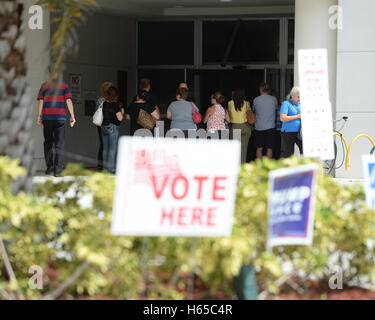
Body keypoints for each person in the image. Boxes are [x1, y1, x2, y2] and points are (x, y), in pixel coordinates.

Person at [37, 66, 76, 177]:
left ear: (49, 73)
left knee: (48, 143)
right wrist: (72, 116)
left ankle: (49, 167)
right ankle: (58, 171)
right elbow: (68, 100)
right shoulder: (64, 86)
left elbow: (41, 101)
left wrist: (39, 116)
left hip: (48, 118)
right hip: (60, 119)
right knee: (59, 144)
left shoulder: (44, 85)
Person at [253, 83, 278, 159]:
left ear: (260, 90)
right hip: (270, 127)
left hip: (259, 127)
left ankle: (259, 167)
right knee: (269, 148)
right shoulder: (274, 99)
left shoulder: (256, 100)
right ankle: (268, 167)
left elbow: (254, 111)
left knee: (259, 148)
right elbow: (275, 109)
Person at [101, 86, 123, 174]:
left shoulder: (104, 104)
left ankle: (105, 169)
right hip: (112, 127)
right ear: (116, 95)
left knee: (105, 149)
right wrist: (121, 111)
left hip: (104, 127)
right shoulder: (115, 105)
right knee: (112, 149)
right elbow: (120, 118)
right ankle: (110, 169)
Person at [228, 88, 252, 163]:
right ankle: (242, 167)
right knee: (244, 149)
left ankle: (235, 166)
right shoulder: (247, 103)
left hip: (235, 127)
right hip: (245, 127)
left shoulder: (230, 103)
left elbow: (229, 114)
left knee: (235, 149)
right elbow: (249, 114)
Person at [280, 86, 303, 158]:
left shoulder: (301, 104)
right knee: (289, 154)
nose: (300, 99)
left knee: (305, 151)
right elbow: (282, 118)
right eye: (298, 97)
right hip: (288, 133)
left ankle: (304, 168)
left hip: (299, 132)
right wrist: (297, 116)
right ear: (293, 95)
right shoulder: (286, 104)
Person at [96, 81, 113, 170]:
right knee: (104, 144)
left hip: (106, 123)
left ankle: (104, 163)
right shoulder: (102, 100)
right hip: (103, 123)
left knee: (106, 144)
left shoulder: (106, 99)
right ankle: (102, 164)